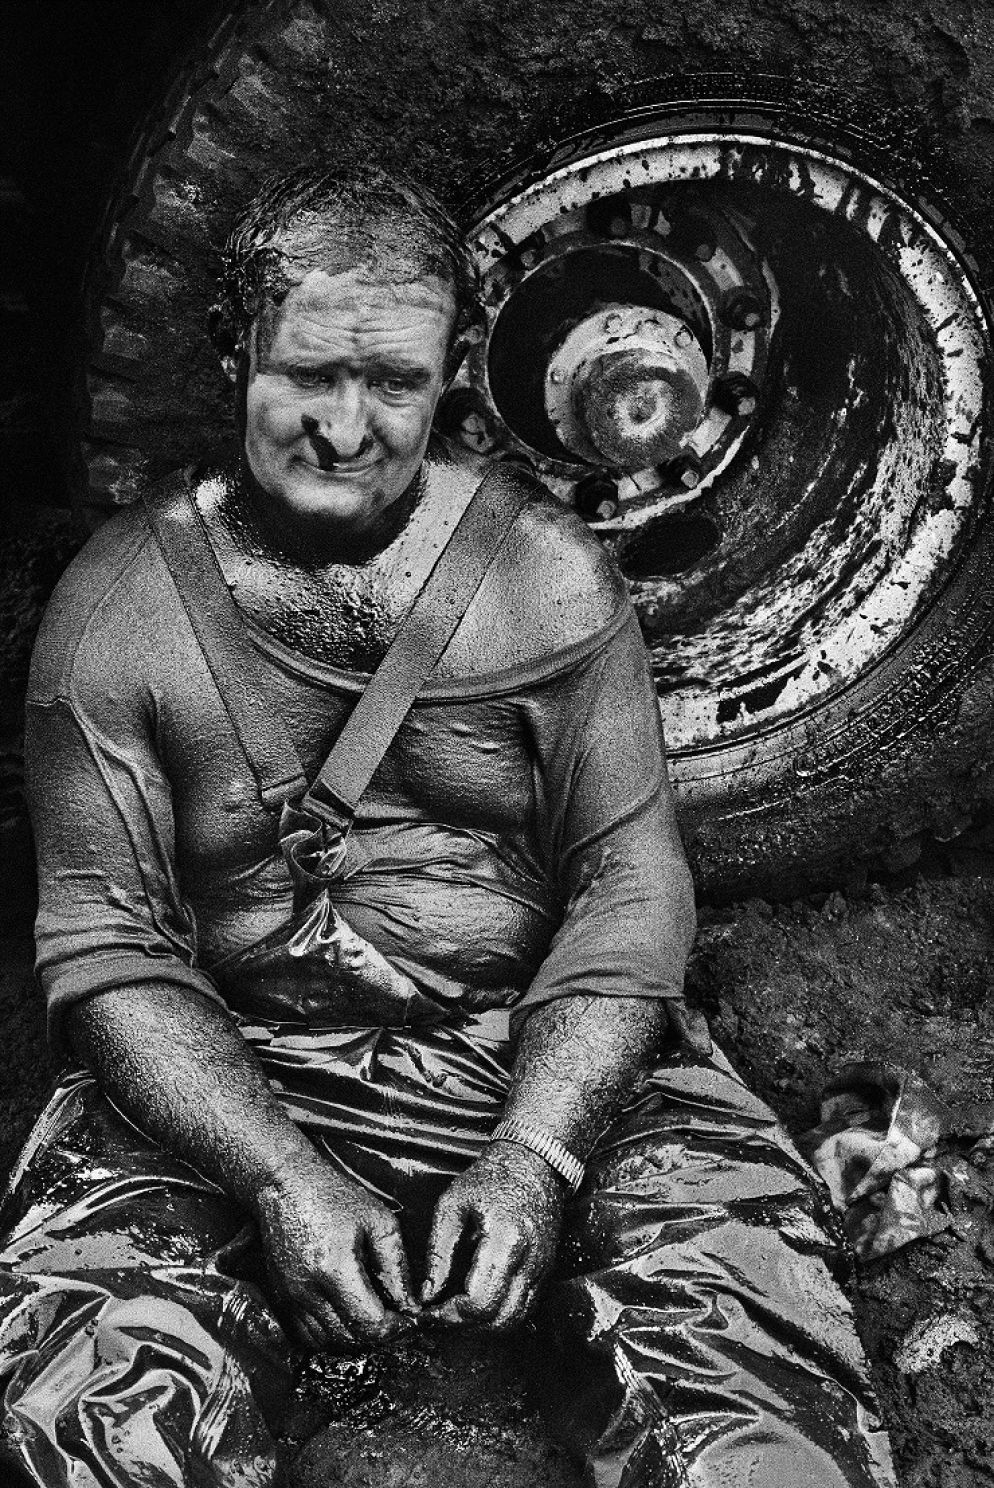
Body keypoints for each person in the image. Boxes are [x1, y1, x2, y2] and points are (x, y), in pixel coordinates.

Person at [0, 165, 895, 1488]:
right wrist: (278, 1173)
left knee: (749, 1384)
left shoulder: (545, 576)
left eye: (394, 384)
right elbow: (106, 942)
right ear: (234, 354)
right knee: (94, 1406)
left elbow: (628, 885)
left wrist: (536, 1152)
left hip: (537, 1049)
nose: (344, 430)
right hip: (230, 1073)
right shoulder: (121, 610)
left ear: (454, 374)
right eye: (307, 376)